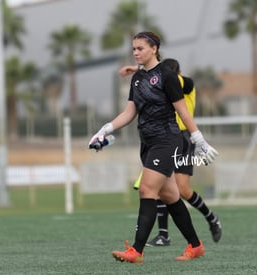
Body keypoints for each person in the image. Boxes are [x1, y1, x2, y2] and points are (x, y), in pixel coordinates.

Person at [89, 31, 218, 263]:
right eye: (134, 49)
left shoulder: (167, 76)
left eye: (140, 48)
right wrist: (104, 129)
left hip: (167, 140)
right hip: (148, 143)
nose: (136, 52)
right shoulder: (138, 79)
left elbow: (182, 111)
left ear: (154, 49)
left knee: (147, 190)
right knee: (170, 195)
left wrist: (198, 139)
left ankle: (136, 250)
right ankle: (196, 246)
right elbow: (130, 112)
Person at [119, 58, 222, 246]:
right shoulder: (162, 82)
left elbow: (165, 77)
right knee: (161, 187)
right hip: (164, 137)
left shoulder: (185, 83)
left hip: (183, 139)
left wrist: (139, 68)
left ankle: (211, 218)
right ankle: (164, 235)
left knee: (181, 189)